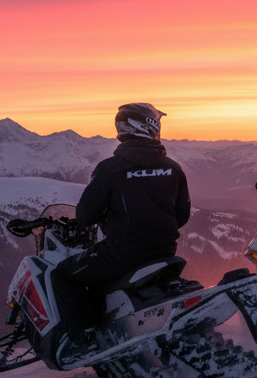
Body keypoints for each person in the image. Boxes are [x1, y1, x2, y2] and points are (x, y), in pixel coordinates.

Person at [58, 102, 192, 284]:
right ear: (151, 126)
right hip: (165, 251)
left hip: (122, 253)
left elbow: (85, 215)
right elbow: (182, 216)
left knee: (61, 274)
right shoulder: (173, 168)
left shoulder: (109, 169)